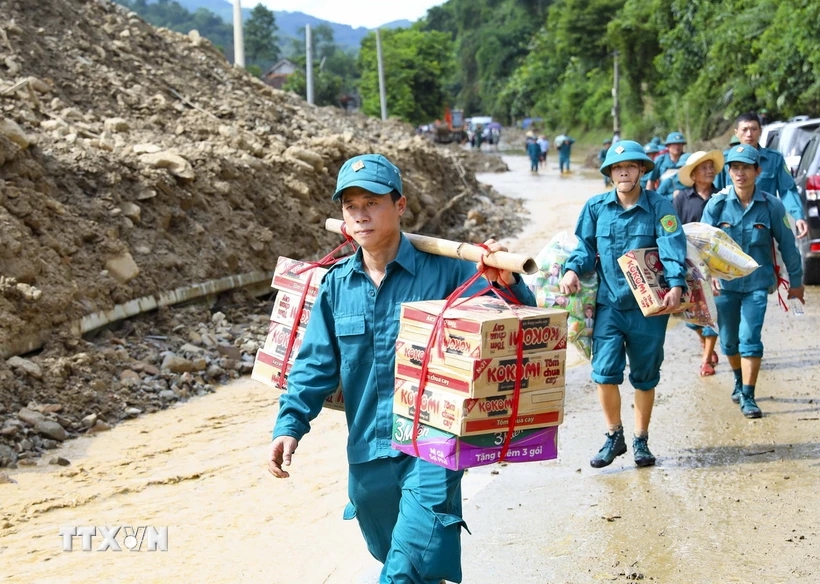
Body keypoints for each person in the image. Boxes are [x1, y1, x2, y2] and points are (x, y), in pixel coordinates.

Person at [267, 153, 536, 584]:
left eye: (372, 202)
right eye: (351, 207)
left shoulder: (449, 270)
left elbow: (519, 319)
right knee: (396, 554)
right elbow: (314, 364)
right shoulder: (337, 285)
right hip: (368, 452)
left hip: (433, 446)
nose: (361, 215)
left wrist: (506, 280)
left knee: (403, 570)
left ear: (400, 205)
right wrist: (289, 425)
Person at [559, 141, 687, 468]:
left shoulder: (661, 207)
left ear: (642, 170)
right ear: (610, 173)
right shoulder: (595, 208)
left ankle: (641, 440)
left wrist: (675, 284)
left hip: (650, 309)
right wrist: (572, 269)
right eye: (617, 168)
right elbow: (584, 247)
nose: (624, 172)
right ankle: (613, 435)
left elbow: (672, 247)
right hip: (608, 305)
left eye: (630, 166)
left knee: (645, 376)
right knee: (603, 373)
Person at [701, 144, 805, 418]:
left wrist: (796, 283)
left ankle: (748, 394)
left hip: (757, 285)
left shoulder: (771, 205)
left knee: (750, 338)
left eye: (746, 167)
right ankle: (737, 380)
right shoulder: (717, 204)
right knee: (729, 342)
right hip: (723, 287)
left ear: (757, 171)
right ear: (729, 172)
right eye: (735, 168)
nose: (740, 173)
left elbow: (788, 245)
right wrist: (704, 280)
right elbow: (699, 246)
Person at [714, 112, 808, 239]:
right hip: (733, 227)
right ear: (736, 132)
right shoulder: (725, 160)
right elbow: (715, 194)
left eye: (753, 129)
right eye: (745, 129)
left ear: (760, 131)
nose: (749, 134)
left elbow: (787, 190)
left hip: (765, 226)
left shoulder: (774, 159)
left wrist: (798, 216)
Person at [675, 149, 724, 376]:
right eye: (703, 168)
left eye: (711, 167)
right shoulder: (681, 199)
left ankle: (706, 358)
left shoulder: (722, 197)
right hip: (690, 262)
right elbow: (672, 230)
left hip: (715, 262)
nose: (709, 171)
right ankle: (704, 341)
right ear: (693, 175)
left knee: (713, 309)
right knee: (691, 314)